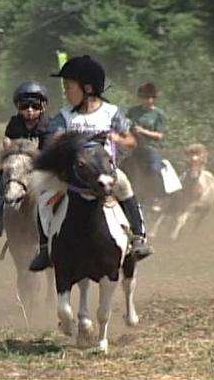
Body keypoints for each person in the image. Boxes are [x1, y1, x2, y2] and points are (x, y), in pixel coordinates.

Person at [29, 55, 154, 271]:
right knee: (43, 196)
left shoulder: (110, 113)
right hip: (72, 175)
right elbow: (51, 139)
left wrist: (117, 139)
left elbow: (131, 140)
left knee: (125, 187)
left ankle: (138, 238)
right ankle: (44, 248)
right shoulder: (64, 116)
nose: (66, 92)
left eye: (69, 87)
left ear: (87, 88)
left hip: (105, 172)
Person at [0, 81, 51, 236]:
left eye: (34, 106)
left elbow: (48, 150)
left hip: (39, 166)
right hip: (17, 164)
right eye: (24, 106)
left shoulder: (47, 124)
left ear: (42, 107)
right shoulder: (14, 123)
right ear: (18, 107)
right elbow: (8, 142)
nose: (29, 110)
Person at [126, 82, 167, 212]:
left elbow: (160, 135)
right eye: (144, 97)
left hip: (151, 147)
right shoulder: (133, 112)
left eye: (150, 97)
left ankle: (157, 197)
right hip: (133, 147)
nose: (147, 100)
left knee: (155, 169)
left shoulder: (159, 115)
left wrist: (143, 131)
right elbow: (124, 124)